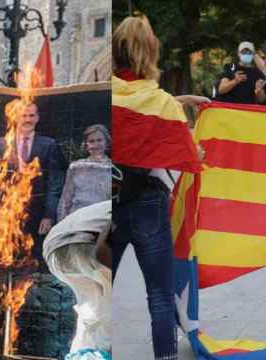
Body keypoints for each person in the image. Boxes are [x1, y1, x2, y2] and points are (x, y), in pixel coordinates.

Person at [112, 16, 207, 360]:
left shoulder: (106, 92)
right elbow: (188, 159)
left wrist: (180, 99)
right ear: (151, 53)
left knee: (98, 288)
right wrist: (197, 151)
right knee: (160, 295)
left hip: (110, 202)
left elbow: (130, 115)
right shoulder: (161, 105)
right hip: (149, 205)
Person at [0, 101, 67, 272]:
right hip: (4, 213)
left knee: (32, 260)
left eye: (31, 115)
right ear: (15, 117)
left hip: (35, 214)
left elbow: (54, 184)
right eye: (23, 115)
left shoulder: (48, 144)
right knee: (2, 260)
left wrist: (48, 215)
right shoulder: (0, 144)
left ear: (37, 118)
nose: (27, 119)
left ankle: (28, 296)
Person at [44, 201, 112, 360]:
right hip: (88, 244)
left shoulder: (105, 205)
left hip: (53, 248)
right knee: (109, 311)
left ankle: (79, 354)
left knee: (90, 309)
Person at [57, 125, 112, 222]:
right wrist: (61, 223)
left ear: (106, 142)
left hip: (102, 220)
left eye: (99, 140)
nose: (95, 145)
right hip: (76, 219)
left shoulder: (114, 169)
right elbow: (65, 200)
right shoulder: (76, 167)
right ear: (86, 145)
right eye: (91, 141)